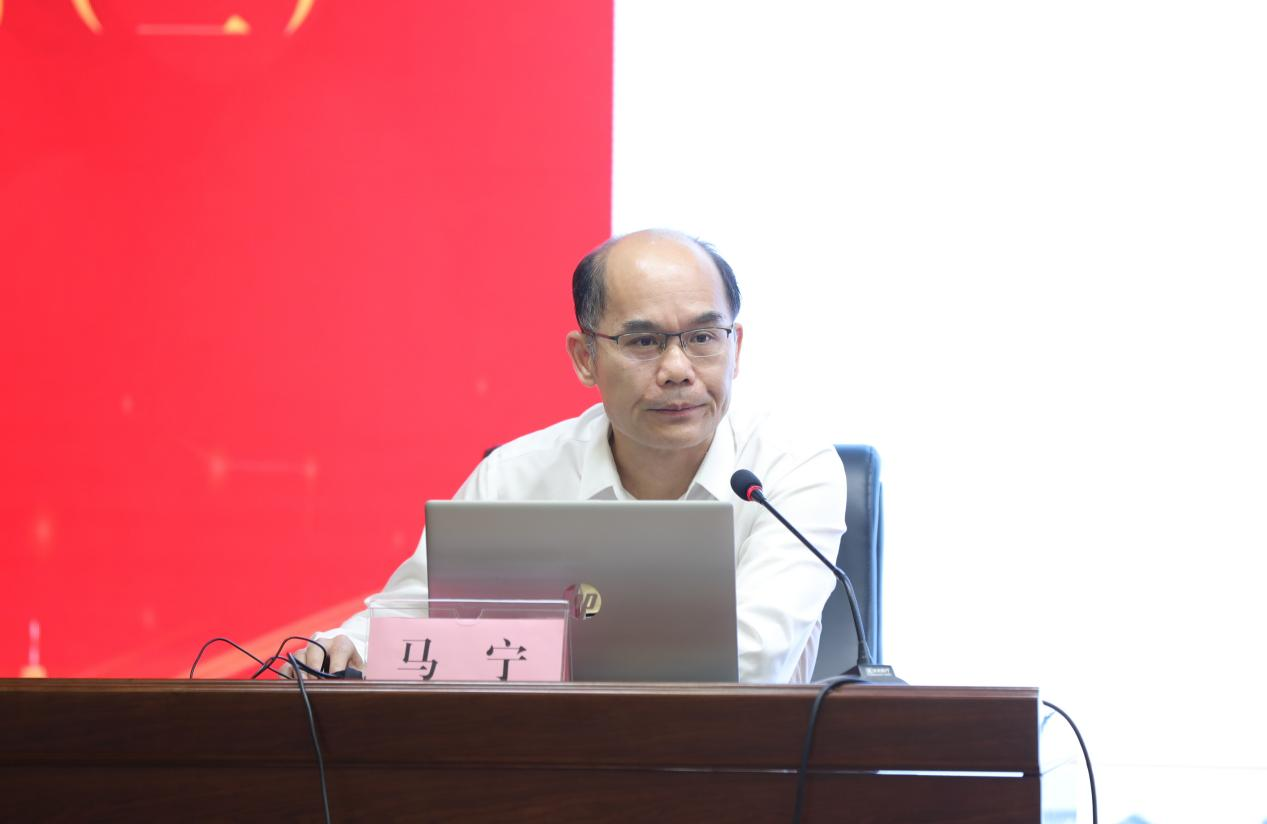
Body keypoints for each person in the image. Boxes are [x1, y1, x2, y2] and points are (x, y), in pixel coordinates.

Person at [292, 229, 846, 682]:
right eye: (644, 341)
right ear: (585, 358)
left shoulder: (789, 471)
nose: (678, 369)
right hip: (546, 762)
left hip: (736, 764)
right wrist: (344, 648)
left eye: (703, 337)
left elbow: (752, 658)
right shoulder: (514, 477)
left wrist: (533, 663)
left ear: (735, 347)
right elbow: (412, 620)